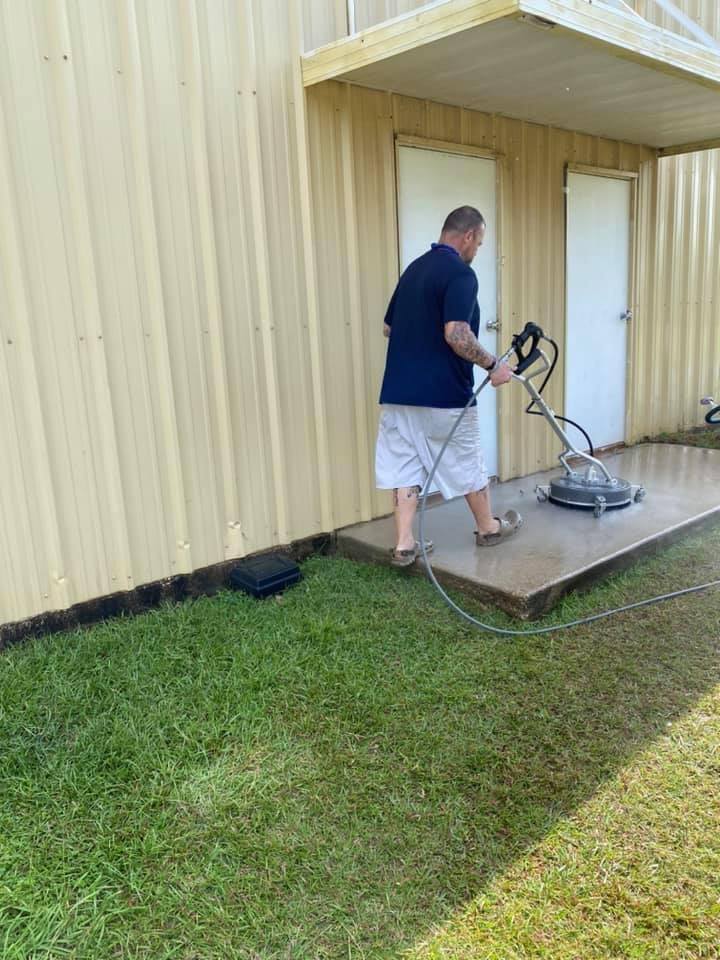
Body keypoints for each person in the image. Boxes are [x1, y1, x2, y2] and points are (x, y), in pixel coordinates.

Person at [375, 205, 522, 566]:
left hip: (398, 392)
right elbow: (457, 334)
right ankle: (489, 528)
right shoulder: (460, 273)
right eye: (480, 243)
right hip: (444, 394)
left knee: (404, 465)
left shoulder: (414, 270)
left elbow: (389, 328)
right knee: (466, 459)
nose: (477, 251)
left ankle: (405, 545)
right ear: (468, 236)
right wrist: (494, 365)